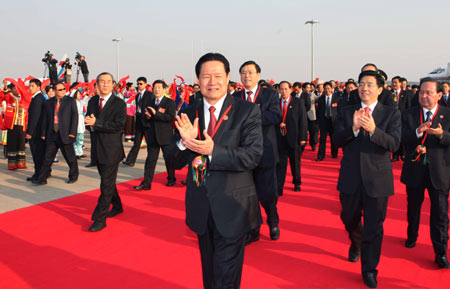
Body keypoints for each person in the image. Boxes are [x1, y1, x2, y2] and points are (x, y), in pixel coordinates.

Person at [167, 52, 263, 289]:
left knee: (226, 277)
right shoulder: (189, 112)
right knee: (209, 273)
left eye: (218, 76)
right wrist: (184, 142)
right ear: (198, 80)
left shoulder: (246, 111)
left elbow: (253, 155)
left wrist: (213, 151)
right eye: (206, 76)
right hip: (201, 205)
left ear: (229, 78)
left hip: (233, 205)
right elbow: (173, 159)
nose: (212, 82)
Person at [333, 70, 401, 288]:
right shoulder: (347, 112)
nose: (364, 88)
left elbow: (394, 144)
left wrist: (374, 130)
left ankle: (369, 269)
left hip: (377, 180)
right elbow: (335, 141)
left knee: (374, 227)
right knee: (348, 217)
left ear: (380, 89)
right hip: (350, 177)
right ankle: (356, 241)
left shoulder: (391, 114)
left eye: (370, 84)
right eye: (361, 84)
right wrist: (353, 129)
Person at [400, 78, 450, 269]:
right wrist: (417, 133)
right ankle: (411, 235)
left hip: (440, 171)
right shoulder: (409, 114)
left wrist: (442, 135)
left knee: (440, 213)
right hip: (415, 168)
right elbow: (400, 138)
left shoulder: (448, 114)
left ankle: (440, 252)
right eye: (421, 92)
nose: (424, 96)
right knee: (413, 207)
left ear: (439, 95)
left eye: (429, 92)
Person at [234, 60, 281, 244]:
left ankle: (273, 222)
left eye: (250, 72)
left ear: (258, 75)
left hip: (265, 152)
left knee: (267, 193)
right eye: (243, 72)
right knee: (248, 195)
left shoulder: (269, 94)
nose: (247, 76)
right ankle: (253, 229)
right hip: (243, 154)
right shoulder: (236, 97)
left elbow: (275, 116)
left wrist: (251, 115)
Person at [85, 72, 127, 232]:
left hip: (111, 150)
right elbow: (90, 121)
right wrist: (90, 124)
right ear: (96, 85)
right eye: (102, 82)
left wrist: (97, 123)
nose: (105, 84)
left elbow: (118, 125)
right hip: (97, 148)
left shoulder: (119, 104)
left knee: (105, 184)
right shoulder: (93, 101)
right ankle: (117, 205)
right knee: (107, 181)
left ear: (113, 84)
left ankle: (100, 219)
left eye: (108, 82)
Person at [33, 82, 79, 185]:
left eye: (63, 89)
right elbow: (45, 119)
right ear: (55, 91)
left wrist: (72, 132)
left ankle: (73, 175)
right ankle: (42, 178)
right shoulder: (48, 103)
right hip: (52, 134)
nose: (63, 91)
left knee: (70, 157)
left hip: (65, 134)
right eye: (60, 89)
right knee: (47, 158)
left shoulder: (70, 101)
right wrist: (43, 133)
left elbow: (75, 117)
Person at [134, 80, 176, 190]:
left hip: (165, 136)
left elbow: (170, 117)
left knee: (168, 159)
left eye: (159, 87)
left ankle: (171, 178)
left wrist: (155, 114)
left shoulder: (169, 102)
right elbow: (145, 117)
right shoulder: (151, 102)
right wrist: (148, 117)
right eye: (155, 88)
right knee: (150, 160)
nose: (156, 90)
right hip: (152, 136)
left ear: (164, 89)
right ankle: (146, 183)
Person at [276, 81, 307, 195]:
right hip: (280, 138)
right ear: (278, 90)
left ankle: (297, 182)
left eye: (286, 89)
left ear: (290, 90)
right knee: (280, 164)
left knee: (295, 162)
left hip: (294, 138)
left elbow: (303, 120)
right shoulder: (276, 103)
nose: (284, 91)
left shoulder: (298, 102)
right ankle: (279, 186)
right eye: (281, 89)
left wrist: (303, 137)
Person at [122, 77, 154, 167]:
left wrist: (149, 117)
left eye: (141, 84)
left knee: (150, 144)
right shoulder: (138, 95)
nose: (139, 85)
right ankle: (130, 160)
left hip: (147, 122)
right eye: (138, 84)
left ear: (145, 84)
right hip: (139, 121)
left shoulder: (149, 94)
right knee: (136, 143)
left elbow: (152, 107)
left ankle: (151, 161)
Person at [1, 83, 28, 170]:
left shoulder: (23, 98)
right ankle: (12, 164)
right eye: (14, 88)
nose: (16, 90)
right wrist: (5, 88)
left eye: (18, 88)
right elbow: (3, 97)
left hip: (22, 124)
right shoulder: (10, 97)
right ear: (11, 89)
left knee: (21, 144)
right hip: (12, 125)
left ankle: (21, 163)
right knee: (12, 144)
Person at [391, 75, 415, 162]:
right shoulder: (389, 93)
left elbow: (409, 106)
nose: (394, 84)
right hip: (392, 119)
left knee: (403, 136)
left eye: (396, 82)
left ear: (400, 84)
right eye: (393, 82)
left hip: (403, 118)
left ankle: (403, 154)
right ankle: (395, 155)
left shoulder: (406, 94)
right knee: (394, 136)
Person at [26, 79, 46, 180]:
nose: (30, 88)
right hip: (38, 131)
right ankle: (42, 172)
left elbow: (35, 117)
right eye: (30, 86)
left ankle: (38, 174)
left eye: (33, 86)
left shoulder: (38, 99)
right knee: (39, 153)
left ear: (39, 87)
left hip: (36, 132)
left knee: (37, 154)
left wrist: (29, 132)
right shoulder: (38, 97)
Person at [316, 82, 339, 161]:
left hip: (334, 121)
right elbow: (318, 111)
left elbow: (339, 111)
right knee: (322, 139)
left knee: (333, 139)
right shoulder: (320, 99)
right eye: (325, 88)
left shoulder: (337, 98)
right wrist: (318, 122)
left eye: (328, 88)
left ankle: (334, 153)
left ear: (332, 89)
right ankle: (320, 156)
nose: (327, 90)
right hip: (324, 121)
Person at [74, 88, 86, 159]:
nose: (79, 95)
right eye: (78, 94)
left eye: (79, 94)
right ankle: (76, 152)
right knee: (76, 137)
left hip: (81, 119)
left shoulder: (80, 102)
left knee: (81, 136)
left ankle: (80, 151)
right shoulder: (73, 102)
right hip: (76, 119)